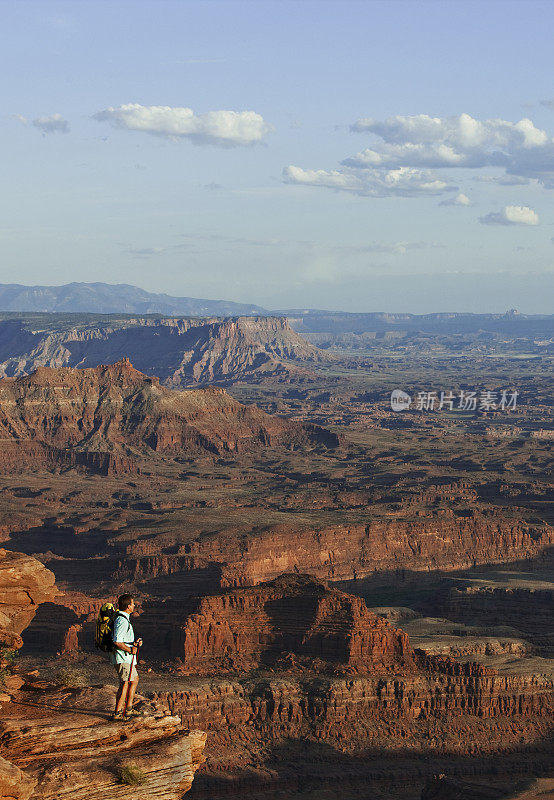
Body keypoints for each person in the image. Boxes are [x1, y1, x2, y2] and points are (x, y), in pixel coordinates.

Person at [110, 593, 143, 721]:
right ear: (128, 606)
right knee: (125, 683)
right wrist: (130, 649)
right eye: (133, 603)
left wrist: (134, 644)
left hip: (127, 657)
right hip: (123, 658)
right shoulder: (122, 620)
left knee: (134, 680)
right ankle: (117, 713)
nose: (134, 605)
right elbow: (117, 641)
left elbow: (123, 639)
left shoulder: (125, 618)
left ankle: (128, 709)